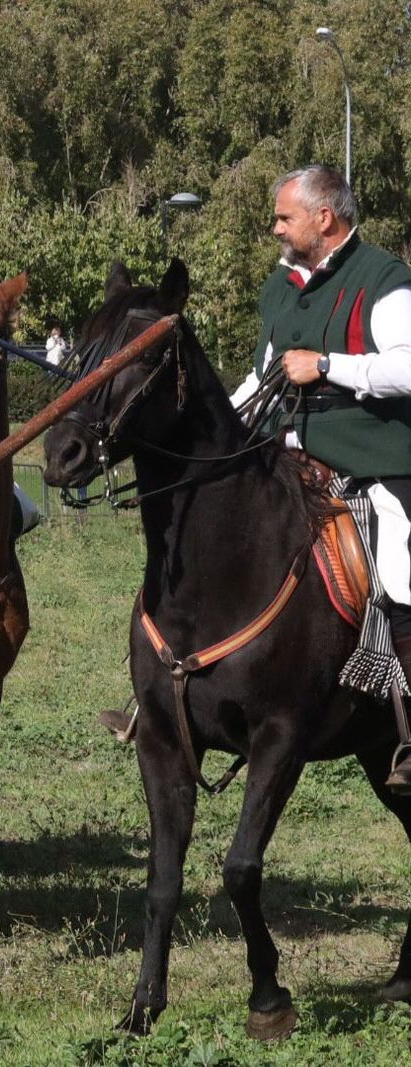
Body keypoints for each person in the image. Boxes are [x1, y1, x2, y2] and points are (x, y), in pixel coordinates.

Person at [226, 163, 411, 790]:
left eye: (285, 217)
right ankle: (170, 700)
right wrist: (215, 431)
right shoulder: (279, 286)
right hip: (283, 452)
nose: (275, 227)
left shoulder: (384, 279)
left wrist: (329, 365)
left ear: (323, 218)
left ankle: (408, 730)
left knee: (401, 574)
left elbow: (408, 371)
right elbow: (261, 377)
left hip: (373, 456)